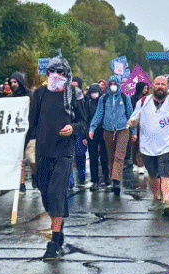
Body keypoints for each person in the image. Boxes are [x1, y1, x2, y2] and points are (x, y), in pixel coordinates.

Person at [26, 56, 88, 260]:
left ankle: (53, 242)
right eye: (53, 72)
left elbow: (83, 122)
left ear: (67, 75)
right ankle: (59, 232)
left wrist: (73, 128)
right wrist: (25, 147)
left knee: (56, 193)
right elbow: (31, 123)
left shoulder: (73, 95)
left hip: (63, 152)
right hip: (43, 151)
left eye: (61, 73)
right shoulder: (40, 94)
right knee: (45, 193)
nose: (57, 76)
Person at [129, 77, 169, 216]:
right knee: (153, 174)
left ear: (168, 87)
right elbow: (135, 119)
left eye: (163, 84)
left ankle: (166, 201)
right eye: (158, 84)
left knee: (166, 174)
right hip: (148, 147)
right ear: (153, 86)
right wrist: (132, 123)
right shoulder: (143, 102)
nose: (160, 86)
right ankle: (156, 197)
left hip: (168, 146)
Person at [88, 75, 133, 196]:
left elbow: (131, 115)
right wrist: (92, 128)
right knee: (111, 156)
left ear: (118, 85)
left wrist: (134, 132)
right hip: (107, 130)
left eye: (115, 83)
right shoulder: (104, 98)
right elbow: (98, 114)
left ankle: (116, 181)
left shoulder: (125, 98)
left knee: (119, 155)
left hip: (123, 129)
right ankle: (114, 178)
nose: (113, 86)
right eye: (111, 83)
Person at [7, 72, 33, 194]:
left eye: (15, 82)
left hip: (32, 132)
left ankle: (34, 174)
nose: (13, 85)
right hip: (17, 133)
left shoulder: (30, 95)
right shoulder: (11, 98)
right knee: (19, 161)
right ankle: (21, 183)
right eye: (11, 83)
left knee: (32, 159)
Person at [81, 82, 109, 191]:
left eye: (95, 92)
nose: (94, 94)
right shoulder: (87, 104)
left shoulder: (104, 103)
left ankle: (106, 177)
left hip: (103, 132)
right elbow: (85, 120)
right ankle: (95, 180)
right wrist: (85, 135)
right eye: (92, 92)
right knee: (93, 158)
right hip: (91, 134)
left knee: (104, 157)